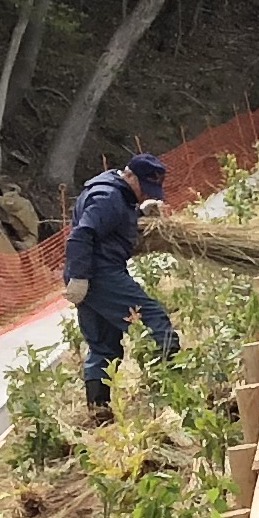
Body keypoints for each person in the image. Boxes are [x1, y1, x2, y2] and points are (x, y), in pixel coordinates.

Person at [60, 148, 174, 420]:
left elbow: (112, 222)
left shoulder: (114, 190)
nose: (146, 193)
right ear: (130, 176)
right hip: (99, 274)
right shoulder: (108, 198)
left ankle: (99, 414)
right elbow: (82, 235)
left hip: (92, 274)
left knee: (104, 345)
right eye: (144, 188)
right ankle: (175, 391)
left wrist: (138, 210)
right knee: (155, 323)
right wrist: (79, 277)